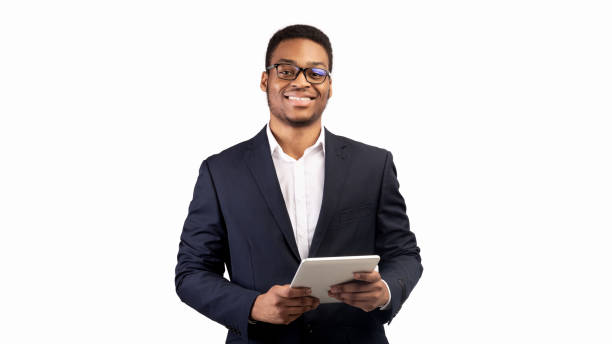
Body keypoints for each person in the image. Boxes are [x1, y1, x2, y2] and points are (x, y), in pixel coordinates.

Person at [175, 24, 423, 344]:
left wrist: (385, 290)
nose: (302, 81)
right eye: (287, 70)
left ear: (329, 85)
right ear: (266, 80)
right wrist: (253, 306)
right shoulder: (221, 172)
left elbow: (404, 254)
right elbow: (191, 273)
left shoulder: (373, 166)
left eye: (316, 72)